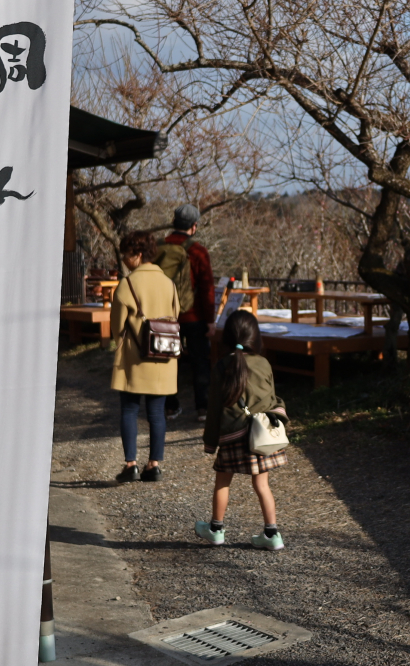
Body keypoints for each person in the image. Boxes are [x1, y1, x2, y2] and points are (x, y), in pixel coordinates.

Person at [194, 309, 290, 550]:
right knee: (262, 485)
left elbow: (214, 407)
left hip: (233, 437)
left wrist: (210, 442)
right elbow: (271, 398)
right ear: (256, 337)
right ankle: (272, 534)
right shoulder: (264, 363)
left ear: (226, 337)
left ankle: (216, 530)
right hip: (262, 436)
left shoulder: (222, 366)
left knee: (222, 483)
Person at [110, 230, 179, 482]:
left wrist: (122, 342)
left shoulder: (127, 284)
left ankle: (131, 464)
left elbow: (117, 326)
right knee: (157, 412)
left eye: (127, 254)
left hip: (134, 356)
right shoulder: (169, 283)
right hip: (163, 355)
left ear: (138, 255)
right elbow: (175, 315)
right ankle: (154, 464)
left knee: (129, 409)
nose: (125, 259)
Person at [155, 204, 215, 422]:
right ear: (194, 226)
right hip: (194, 315)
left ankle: (171, 408)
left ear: (174, 223)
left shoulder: (157, 247)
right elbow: (207, 287)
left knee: (168, 361)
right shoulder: (198, 251)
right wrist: (210, 320)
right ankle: (203, 409)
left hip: (164, 315)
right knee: (200, 362)